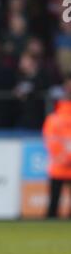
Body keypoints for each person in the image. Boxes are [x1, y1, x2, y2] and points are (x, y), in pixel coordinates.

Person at [43, 74, 71, 218]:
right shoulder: (55, 118)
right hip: (62, 163)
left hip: (58, 165)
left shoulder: (54, 118)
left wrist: (61, 157)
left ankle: (49, 222)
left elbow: (50, 140)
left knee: (53, 203)